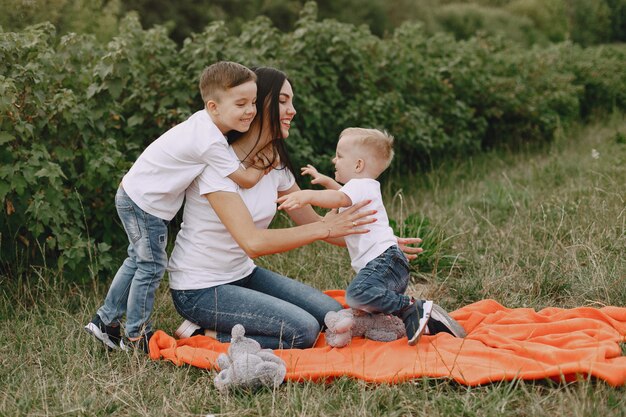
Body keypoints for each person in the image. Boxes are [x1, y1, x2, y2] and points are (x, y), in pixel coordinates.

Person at [169, 67, 422, 349]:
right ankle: (203, 333)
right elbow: (253, 242)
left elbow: (316, 225)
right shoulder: (218, 166)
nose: (293, 110)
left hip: (243, 275)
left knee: (332, 314)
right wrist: (324, 226)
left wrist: (381, 244)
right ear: (257, 103)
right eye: (283, 101)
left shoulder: (275, 165)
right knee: (302, 331)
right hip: (200, 289)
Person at [84, 61, 269, 352]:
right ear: (213, 106)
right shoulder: (210, 141)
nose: (250, 110)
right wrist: (262, 165)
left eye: (254, 102)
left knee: (137, 260)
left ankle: (105, 321)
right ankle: (136, 334)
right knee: (151, 265)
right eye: (241, 103)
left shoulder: (202, 123)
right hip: (144, 203)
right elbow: (244, 180)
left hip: (135, 195)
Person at [276, 128, 466, 345]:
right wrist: (327, 181)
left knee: (357, 295)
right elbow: (342, 194)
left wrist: (307, 195)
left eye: (339, 156)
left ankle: (412, 306)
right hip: (390, 268)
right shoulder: (364, 187)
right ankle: (428, 321)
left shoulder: (359, 187)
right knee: (365, 306)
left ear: (358, 165)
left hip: (383, 264)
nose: (333, 159)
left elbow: (338, 198)